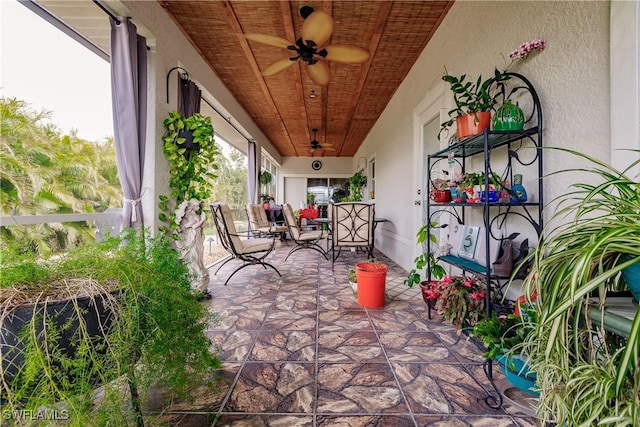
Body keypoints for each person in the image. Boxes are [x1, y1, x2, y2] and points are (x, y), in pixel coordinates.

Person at [174, 198, 211, 298]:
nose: (198, 207)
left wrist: (202, 222)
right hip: (192, 239)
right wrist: (203, 220)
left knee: (198, 258)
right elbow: (193, 227)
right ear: (193, 206)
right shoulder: (188, 215)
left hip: (197, 238)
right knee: (193, 258)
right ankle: (195, 281)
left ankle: (200, 280)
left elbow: (198, 226)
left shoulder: (194, 214)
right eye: (197, 205)